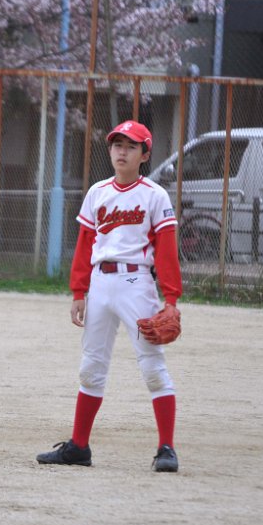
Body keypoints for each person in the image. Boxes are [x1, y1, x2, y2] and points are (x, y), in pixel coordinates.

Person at [36, 120, 183, 473]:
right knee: (91, 368)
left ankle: (166, 448)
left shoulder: (154, 196)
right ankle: (79, 447)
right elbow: (86, 244)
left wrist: (171, 299)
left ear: (144, 155)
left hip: (136, 283)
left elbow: (166, 252)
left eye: (131, 146)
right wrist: (79, 291)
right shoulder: (97, 192)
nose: (122, 151)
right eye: (117, 145)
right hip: (100, 284)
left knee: (152, 365)